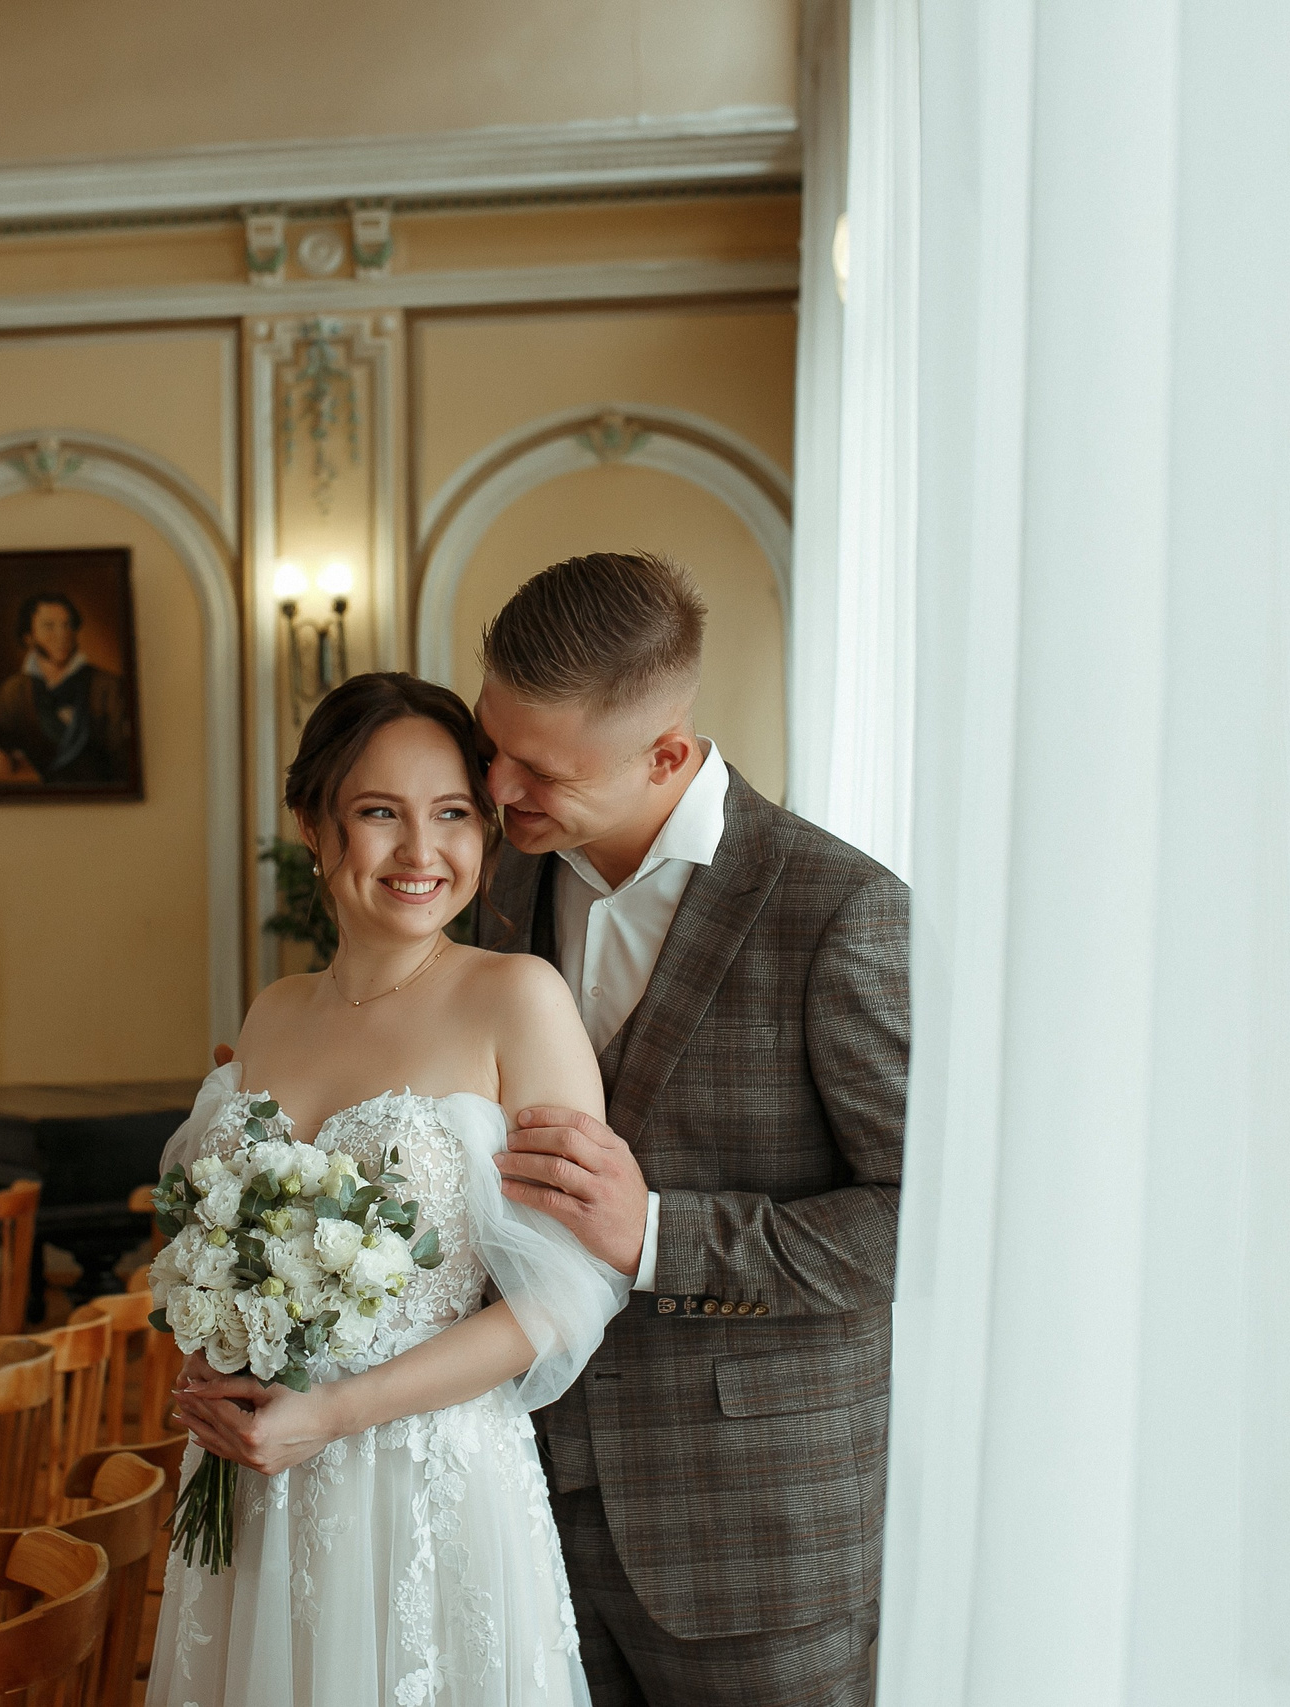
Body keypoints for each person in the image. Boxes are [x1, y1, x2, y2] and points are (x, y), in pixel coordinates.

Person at [473, 551, 908, 1707]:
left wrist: (659, 1236)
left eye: (540, 768)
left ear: (666, 755)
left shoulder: (840, 911)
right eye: (491, 741)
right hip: (520, 1507)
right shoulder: (494, 884)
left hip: (756, 1538)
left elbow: (927, 1221)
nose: (497, 786)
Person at [153, 671, 632, 1707]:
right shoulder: (274, 1010)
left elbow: (566, 1295)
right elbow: (215, 1235)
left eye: (452, 813)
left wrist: (334, 1413)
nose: (422, 852)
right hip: (256, 1480)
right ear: (313, 826)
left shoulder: (517, 1000)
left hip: (425, 1486)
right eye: (380, 812)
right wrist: (214, 1346)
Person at [0, 590, 134, 786]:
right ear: (29, 637)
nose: (62, 635)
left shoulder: (108, 686)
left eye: (67, 625)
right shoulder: (15, 690)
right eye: (49, 626)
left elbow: (125, 760)